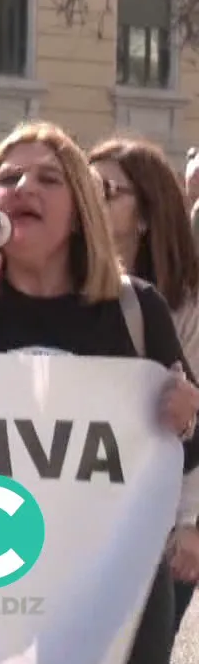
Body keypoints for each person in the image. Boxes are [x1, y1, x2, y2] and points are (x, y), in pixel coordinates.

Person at [0, 123, 199, 664]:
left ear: (81, 209)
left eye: (48, 177)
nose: (23, 188)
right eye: (8, 177)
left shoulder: (136, 310)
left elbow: (181, 455)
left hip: (116, 580)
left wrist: (186, 416)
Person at [87, 137, 199, 626]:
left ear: (147, 216)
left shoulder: (186, 307)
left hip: (161, 524)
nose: (91, 198)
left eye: (107, 189)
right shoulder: (67, 293)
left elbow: (192, 417)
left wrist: (190, 523)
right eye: (84, 185)